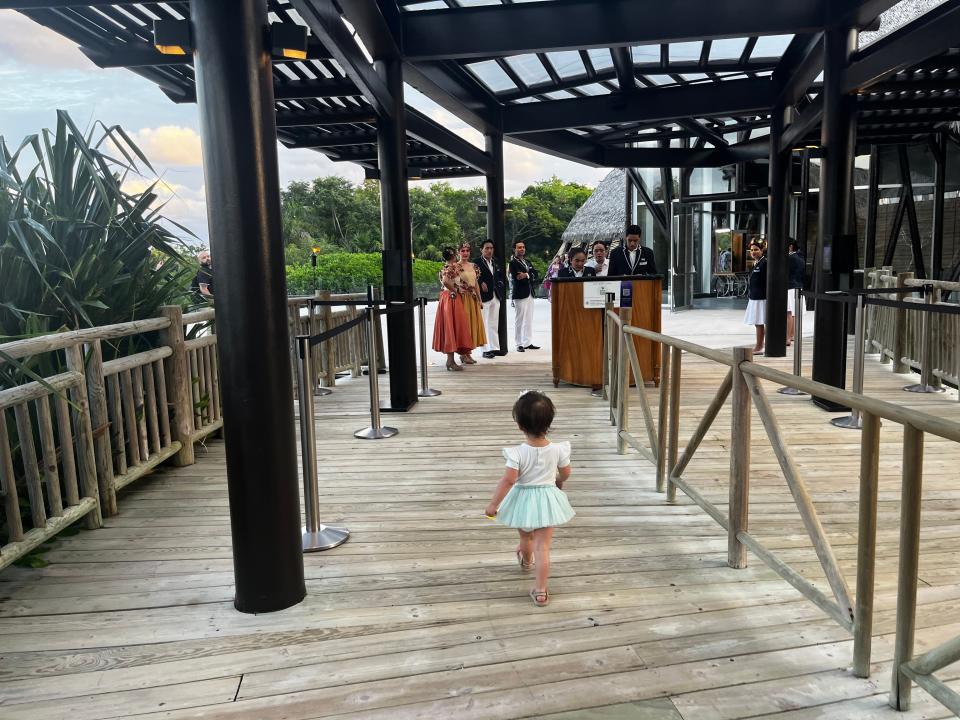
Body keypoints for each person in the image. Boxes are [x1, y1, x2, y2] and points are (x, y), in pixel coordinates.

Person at [484, 391, 574, 607]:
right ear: (550, 422)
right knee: (543, 546)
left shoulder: (517, 453)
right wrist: (559, 481)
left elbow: (508, 480)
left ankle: (526, 562)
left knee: (526, 539)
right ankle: (541, 591)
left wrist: (494, 504)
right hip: (547, 500)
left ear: (520, 426)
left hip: (523, 500)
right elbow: (566, 472)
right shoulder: (558, 449)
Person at [432, 247, 473, 372]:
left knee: (451, 327)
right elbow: (445, 281)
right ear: (454, 256)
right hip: (451, 298)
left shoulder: (445, 267)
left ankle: (451, 360)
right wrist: (455, 290)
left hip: (446, 298)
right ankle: (450, 361)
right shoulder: (450, 267)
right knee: (453, 326)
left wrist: (461, 287)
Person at [475, 239, 505, 359]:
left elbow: (500, 276)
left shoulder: (496, 262)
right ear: (481, 249)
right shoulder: (476, 262)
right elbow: (473, 277)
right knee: (484, 322)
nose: (489, 250)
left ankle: (494, 347)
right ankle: (485, 349)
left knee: (493, 322)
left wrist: (500, 285)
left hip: (495, 295)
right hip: (483, 296)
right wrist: (481, 282)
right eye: (487, 248)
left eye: (491, 248)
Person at [457, 242, 486, 364]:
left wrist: (479, 299)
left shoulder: (474, 266)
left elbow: (476, 284)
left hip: (472, 298)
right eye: (462, 251)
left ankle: (468, 353)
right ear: (458, 252)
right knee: (464, 325)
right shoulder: (454, 266)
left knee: (472, 324)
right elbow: (450, 283)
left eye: (467, 251)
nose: (465, 253)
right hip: (462, 298)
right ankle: (463, 353)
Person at [509, 240, 539, 352]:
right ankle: (519, 344)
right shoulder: (513, 263)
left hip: (530, 292)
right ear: (514, 249)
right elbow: (518, 277)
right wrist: (529, 274)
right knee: (519, 319)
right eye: (519, 247)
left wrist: (526, 274)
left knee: (529, 319)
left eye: (523, 247)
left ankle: (527, 342)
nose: (522, 249)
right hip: (520, 294)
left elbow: (535, 274)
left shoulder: (527, 261)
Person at [744, 241, 767, 354]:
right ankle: (761, 344)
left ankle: (759, 346)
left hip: (761, 298)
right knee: (757, 322)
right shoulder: (756, 263)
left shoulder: (764, 263)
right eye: (752, 250)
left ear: (762, 251)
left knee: (759, 322)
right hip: (754, 297)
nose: (753, 252)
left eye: (756, 250)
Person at [787, 240, 805, 346]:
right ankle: (792, 335)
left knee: (788, 313)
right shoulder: (800, 257)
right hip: (798, 286)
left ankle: (787, 337)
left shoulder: (790, 258)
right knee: (794, 313)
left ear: (790, 247)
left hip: (789, 286)